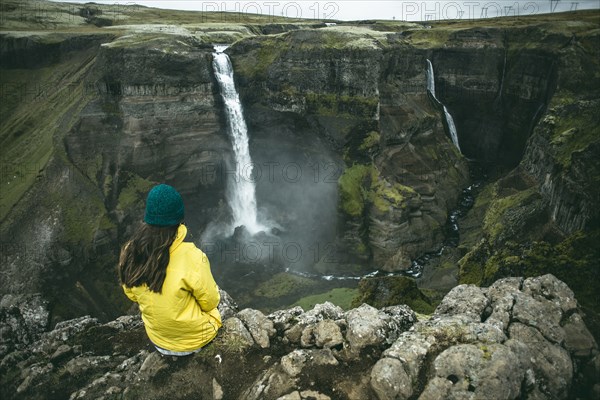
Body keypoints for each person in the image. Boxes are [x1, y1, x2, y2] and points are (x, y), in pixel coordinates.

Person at [118, 184, 221, 356]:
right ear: (179, 218)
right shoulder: (192, 256)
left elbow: (131, 293)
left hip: (158, 340)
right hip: (196, 340)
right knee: (214, 306)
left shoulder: (130, 251)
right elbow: (210, 301)